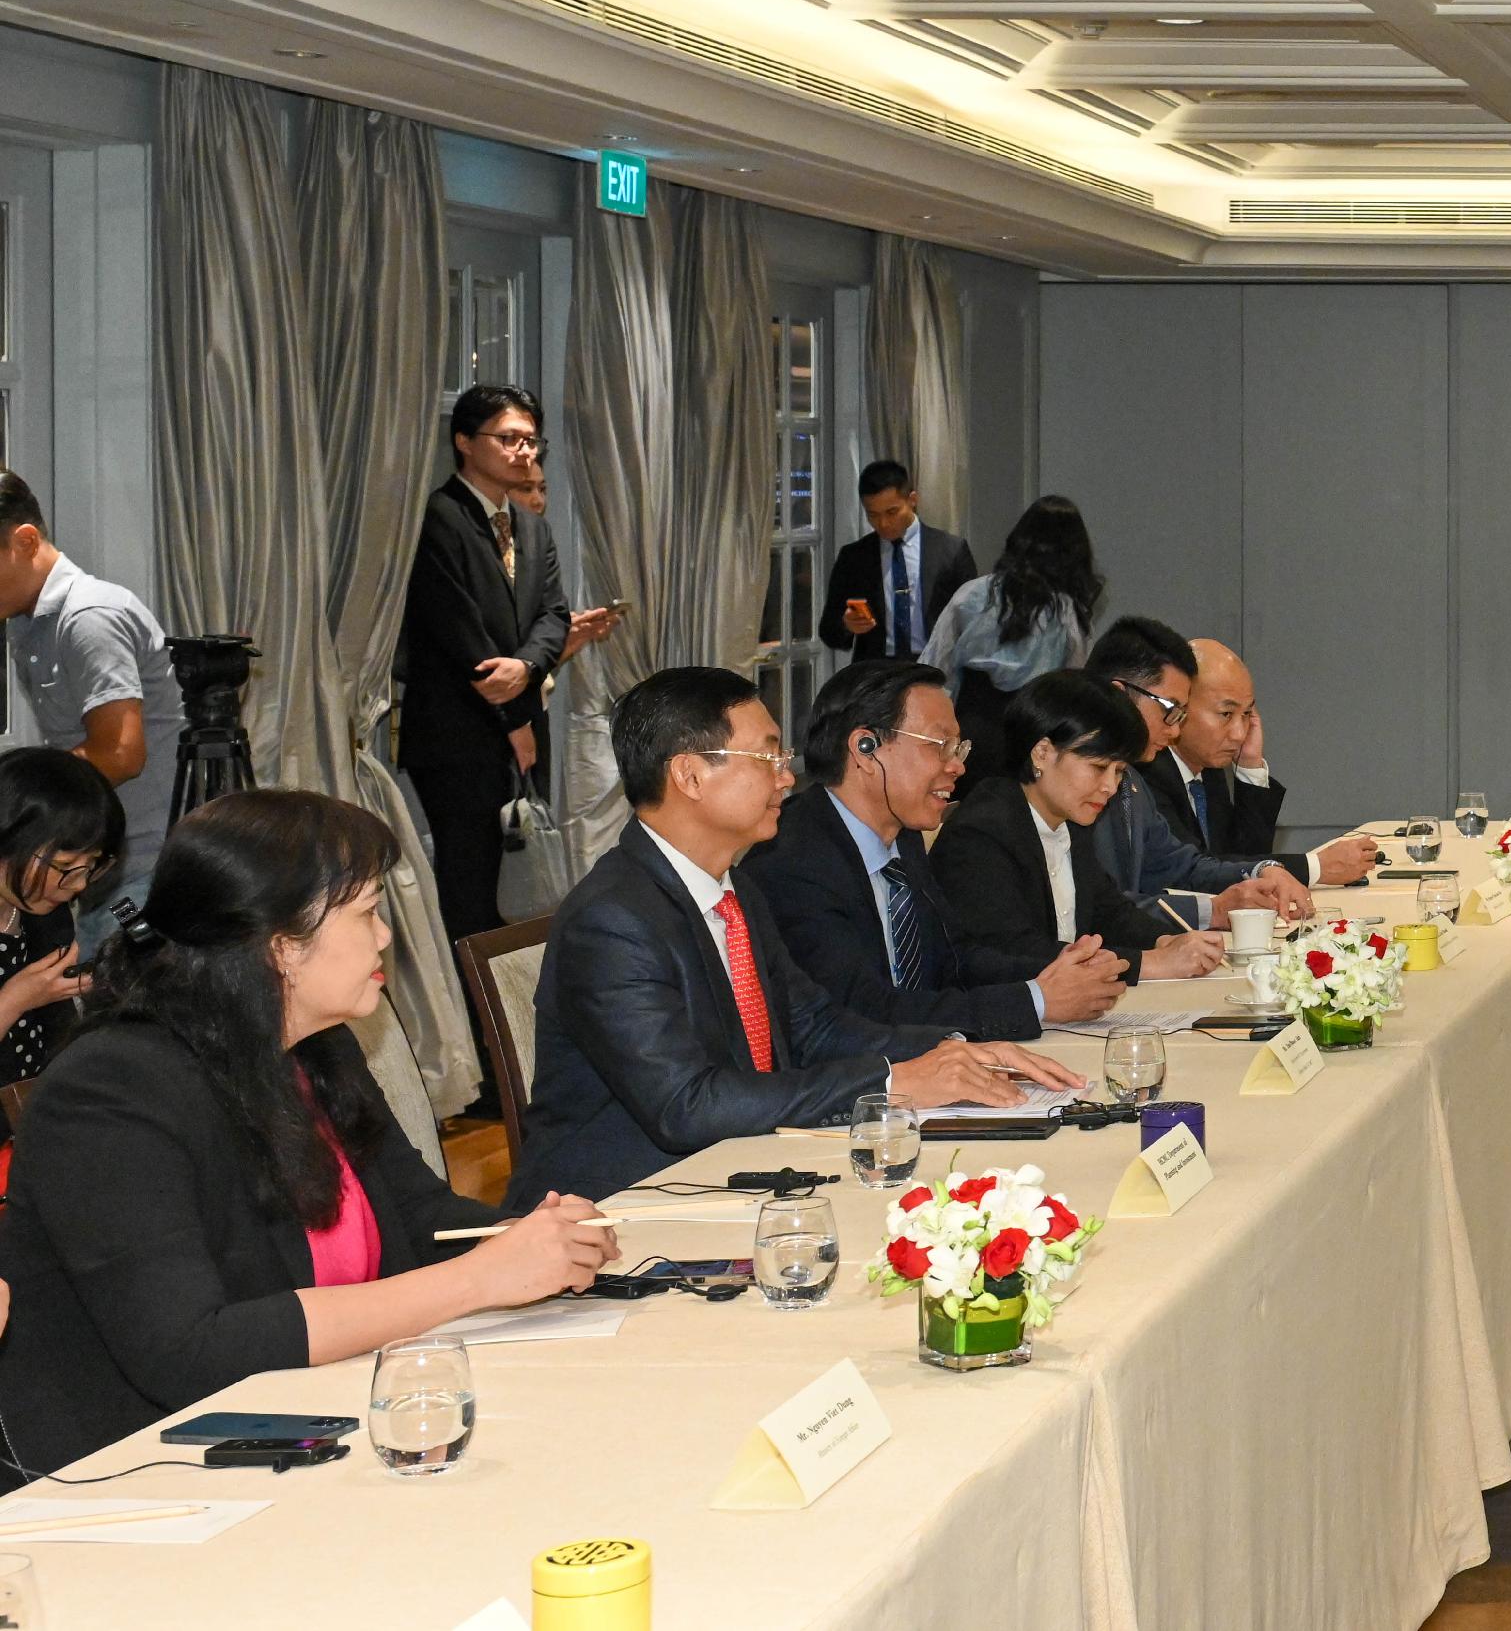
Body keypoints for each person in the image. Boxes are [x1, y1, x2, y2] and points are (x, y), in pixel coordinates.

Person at [0, 791, 618, 1483]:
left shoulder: (315, 1047)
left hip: (316, 1421)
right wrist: (480, 1277)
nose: (385, 935)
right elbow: (189, 1350)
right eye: (366, 912)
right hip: (142, 1475)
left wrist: (538, 1238)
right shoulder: (111, 1091)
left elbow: (422, 1220)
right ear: (282, 945)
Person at [510, 667, 1080, 1207]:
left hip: (735, 1168)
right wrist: (892, 1080)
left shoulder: (734, 891)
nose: (787, 776)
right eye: (766, 757)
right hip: (618, 1206)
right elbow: (687, 1105)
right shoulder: (613, 920)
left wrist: (949, 1048)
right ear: (689, 776)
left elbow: (813, 1025)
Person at [752, 660, 1128, 1041]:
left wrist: (1054, 972)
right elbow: (861, 1007)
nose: (957, 767)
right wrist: (1036, 1000)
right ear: (866, 749)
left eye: (959, 749)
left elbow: (953, 959)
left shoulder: (903, 837)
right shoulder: (794, 858)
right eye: (941, 746)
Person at [399, 385, 620, 938]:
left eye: (530, 441)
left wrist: (525, 672)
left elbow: (553, 615)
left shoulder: (532, 525)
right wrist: (518, 712)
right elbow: (459, 632)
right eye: (508, 439)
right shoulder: (436, 517)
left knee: (524, 869)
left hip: (521, 722)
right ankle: (475, 1012)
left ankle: (516, 995)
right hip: (456, 732)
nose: (524, 452)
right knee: (470, 880)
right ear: (465, 442)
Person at [932, 671, 1228, 982]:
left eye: (1119, 771)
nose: (1110, 787)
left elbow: (1109, 911)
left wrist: (1165, 941)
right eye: (1099, 768)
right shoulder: (983, 831)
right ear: (1042, 752)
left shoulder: (1069, 822)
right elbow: (1013, 951)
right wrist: (1148, 963)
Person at [0, 468, 179, 916]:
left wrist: (17, 803)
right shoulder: (27, 621)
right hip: (100, 863)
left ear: (24, 542)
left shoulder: (89, 617)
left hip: (145, 866)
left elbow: (120, 753)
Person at [1081, 617, 1345, 913]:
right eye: (1170, 709)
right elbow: (1099, 909)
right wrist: (1213, 912)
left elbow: (1184, 866)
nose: (1175, 729)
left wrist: (1263, 870)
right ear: (1120, 695)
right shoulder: (1129, 774)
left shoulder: (1132, 780)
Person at [920, 495, 1100, 796]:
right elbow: (1073, 689)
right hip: (1034, 733)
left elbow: (936, 667)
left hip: (971, 726)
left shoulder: (971, 594)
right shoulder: (1068, 613)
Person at [0, 749, 119, 1155]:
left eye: (93, 866)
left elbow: (59, 1029)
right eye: (68, 865)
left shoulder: (41, 913)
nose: (81, 884)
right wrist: (16, 999)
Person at [1150, 637, 1307, 859]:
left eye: (1246, 714)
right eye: (1226, 714)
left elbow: (1247, 863)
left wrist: (1249, 765)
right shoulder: (1147, 773)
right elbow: (1198, 873)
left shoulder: (1210, 770)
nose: (1239, 734)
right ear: (1181, 706)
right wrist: (1314, 866)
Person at [815, 460, 978, 669]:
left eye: (892, 512)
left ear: (912, 500)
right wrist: (847, 625)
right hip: (876, 671)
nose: (883, 523)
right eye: (873, 515)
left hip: (937, 666)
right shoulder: (855, 556)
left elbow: (973, 618)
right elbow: (828, 631)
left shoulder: (951, 550)